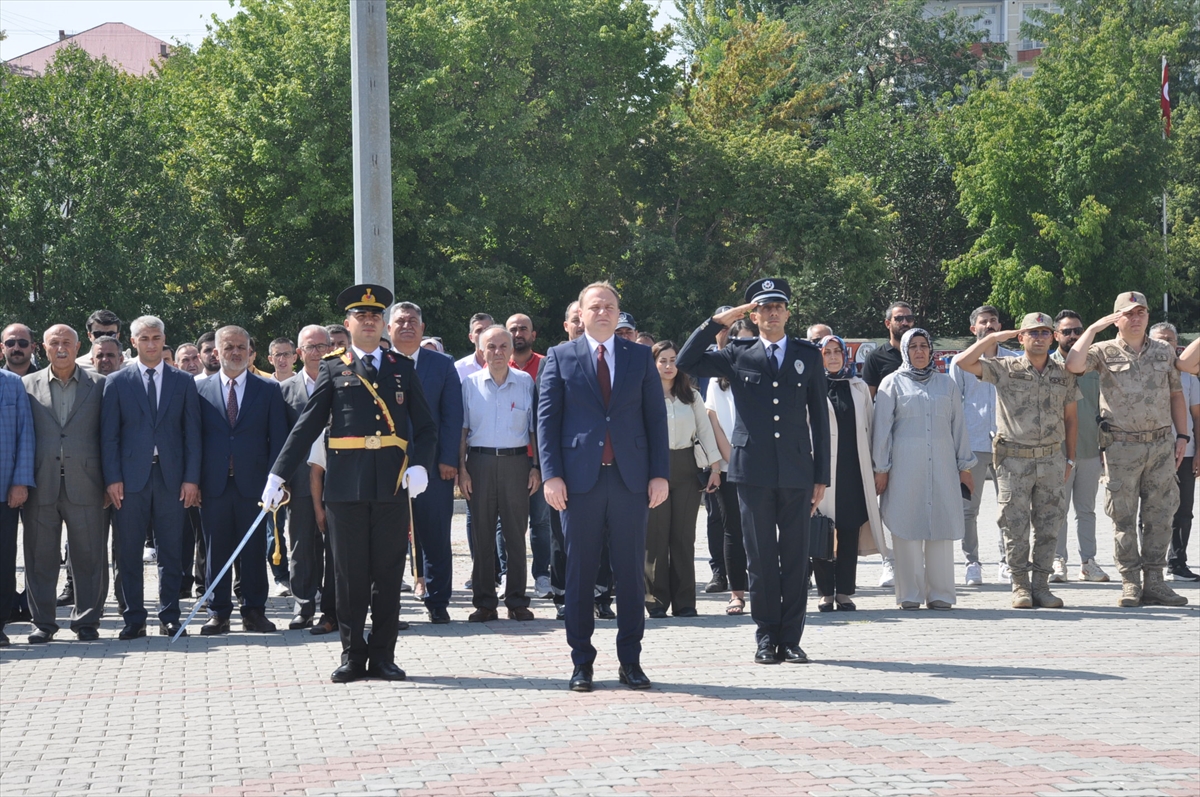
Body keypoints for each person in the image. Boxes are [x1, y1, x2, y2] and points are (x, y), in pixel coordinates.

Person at [264, 284, 437, 683]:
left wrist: (421, 465)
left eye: (376, 316)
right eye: (361, 316)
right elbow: (307, 426)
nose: (369, 321)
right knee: (348, 575)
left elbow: (426, 427)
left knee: (388, 573)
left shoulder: (401, 366)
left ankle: (383, 656)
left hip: (392, 485)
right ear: (348, 323)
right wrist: (278, 473)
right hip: (345, 487)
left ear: (383, 324)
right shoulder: (333, 367)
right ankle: (352, 655)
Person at [677, 278, 830, 665]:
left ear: (788, 313)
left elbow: (820, 419)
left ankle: (791, 639)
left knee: (795, 558)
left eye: (779, 306)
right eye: (764, 307)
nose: (773, 313)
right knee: (760, 558)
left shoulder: (807, 355)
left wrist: (821, 475)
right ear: (754, 314)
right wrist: (719, 321)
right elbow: (685, 362)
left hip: (797, 470)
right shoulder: (737, 353)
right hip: (752, 471)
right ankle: (766, 637)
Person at [538, 281, 669, 691]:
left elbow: (655, 419)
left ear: (618, 312)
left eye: (610, 306)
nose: (603, 312)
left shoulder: (639, 357)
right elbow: (546, 421)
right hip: (579, 483)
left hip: (630, 480)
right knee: (579, 573)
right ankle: (582, 663)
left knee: (630, 574)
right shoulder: (560, 357)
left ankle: (630, 660)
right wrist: (550, 475)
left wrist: (659, 473)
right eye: (595, 306)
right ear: (580, 314)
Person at [1064, 292, 1189, 608]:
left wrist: (1183, 436)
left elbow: (1176, 394)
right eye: (1128, 313)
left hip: (1161, 445)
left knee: (1160, 517)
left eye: (1141, 313)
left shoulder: (1163, 351)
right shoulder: (1103, 351)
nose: (1136, 319)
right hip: (1121, 447)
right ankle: (1131, 584)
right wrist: (1093, 328)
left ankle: (1156, 583)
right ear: (1116, 318)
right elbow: (1073, 364)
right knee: (1123, 519)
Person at [953, 314, 1078, 609]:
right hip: (1013, 462)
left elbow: (1071, 418)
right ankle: (1020, 585)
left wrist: (1070, 459)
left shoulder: (1063, 373)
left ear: (1052, 338)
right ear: (1020, 338)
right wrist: (994, 338)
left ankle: (1042, 586)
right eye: (1031, 332)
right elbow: (963, 363)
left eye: (1044, 332)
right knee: (1015, 525)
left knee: (1049, 525)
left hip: (1050, 460)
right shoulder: (1005, 368)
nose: (1039, 337)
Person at [100, 315, 202, 639]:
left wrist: (191, 479)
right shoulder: (117, 382)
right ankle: (134, 618)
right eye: (144, 338)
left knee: (171, 550)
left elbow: (193, 436)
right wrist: (112, 478)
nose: (151, 344)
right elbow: (109, 437)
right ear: (133, 342)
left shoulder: (182, 381)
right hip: (130, 480)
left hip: (172, 478)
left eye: (156, 338)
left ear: (163, 338)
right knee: (128, 551)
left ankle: (170, 615)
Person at [195, 326, 290, 634]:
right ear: (215, 352)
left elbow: (278, 439)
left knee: (252, 551)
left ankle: (253, 611)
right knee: (216, 549)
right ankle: (218, 612)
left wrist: (278, 480)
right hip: (213, 485)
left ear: (251, 353)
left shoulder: (268, 390)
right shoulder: (198, 390)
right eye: (228, 347)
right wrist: (193, 481)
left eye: (241, 347)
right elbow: (193, 440)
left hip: (255, 484)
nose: (235, 352)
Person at [872, 328, 975, 610]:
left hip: (942, 467)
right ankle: (910, 594)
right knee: (906, 527)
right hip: (904, 469)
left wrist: (965, 467)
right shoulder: (891, 383)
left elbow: (959, 427)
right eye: (913, 346)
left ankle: (941, 593)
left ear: (931, 350)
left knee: (940, 528)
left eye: (924, 346)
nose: (919, 351)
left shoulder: (947, 385)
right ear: (905, 351)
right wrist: (881, 468)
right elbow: (881, 430)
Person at [21, 325, 108, 643]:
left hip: (87, 483)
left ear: (77, 346)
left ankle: (86, 620)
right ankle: (42, 622)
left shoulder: (99, 385)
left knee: (88, 556)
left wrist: (110, 482)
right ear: (42, 348)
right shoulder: (26, 385)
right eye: (54, 343)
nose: (61, 348)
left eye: (66, 343)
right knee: (39, 556)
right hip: (40, 483)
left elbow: (108, 437)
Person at [459, 326, 540, 621]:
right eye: (491, 346)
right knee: (481, 535)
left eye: (503, 346)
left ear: (510, 350)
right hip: (479, 463)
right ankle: (484, 601)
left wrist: (535, 468)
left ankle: (517, 599)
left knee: (516, 535)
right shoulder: (469, 384)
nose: (497, 352)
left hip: (517, 464)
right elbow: (463, 429)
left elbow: (534, 429)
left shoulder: (525, 382)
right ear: (481, 350)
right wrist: (462, 470)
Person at [389, 301, 463, 623]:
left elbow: (452, 415)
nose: (407, 326)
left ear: (422, 327)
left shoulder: (442, 364)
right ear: (389, 328)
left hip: (433, 466)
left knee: (434, 535)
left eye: (413, 321)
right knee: (389, 538)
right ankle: (389, 604)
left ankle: (437, 602)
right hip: (387, 466)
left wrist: (448, 459)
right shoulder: (379, 363)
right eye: (400, 321)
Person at [644, 341, 720, 618]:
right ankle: (655, 601)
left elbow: (705, 430)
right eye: (662, 360)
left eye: (673, 360)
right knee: (656, 537)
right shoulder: (644, 395)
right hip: (654, 469)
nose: (668, 366)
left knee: (683, 537)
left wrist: (715, 467)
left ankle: (685, 602)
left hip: (687, 467)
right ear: (653, 364)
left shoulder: (692, 395)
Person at [813, 334, 888, 612]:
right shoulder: (812, 386)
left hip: (854, 470)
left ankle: (844, 591)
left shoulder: (857, 387)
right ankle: (825, 593)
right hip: (822, 471)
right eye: (826, 353)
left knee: (848, 530)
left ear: (845, 355)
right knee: (821, 529)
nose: (833, 357)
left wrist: (877, 468)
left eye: (837, 352)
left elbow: (871, 427)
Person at [949, 306, 1017, 585]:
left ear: (1000, 326)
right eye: (983, 322)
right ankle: (971, 562)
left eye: (993, 321)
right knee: (969, 509)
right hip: (973, 444)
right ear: (972, 329)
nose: (988, 326)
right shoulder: (960, 363)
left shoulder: (1015, 360)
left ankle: (1009, 562)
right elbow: (954, 407)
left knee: (1011, 508)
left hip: (1009, 443)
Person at [278, 325, 333, 629]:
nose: (317, 353)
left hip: (339, 478)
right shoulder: (284, 391)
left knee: (336, 545)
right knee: (301, 545)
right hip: (299, 480)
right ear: (298, 353)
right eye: (310, 348)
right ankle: (303, 604)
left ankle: (332, 605)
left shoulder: (344, 382)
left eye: (322, 346)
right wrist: (281, 479)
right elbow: (279, 440)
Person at [1050, 311, 1109, 583]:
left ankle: (1088, 562)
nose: (1073, 336)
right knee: (1057, 509)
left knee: (1086, 510)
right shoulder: (1046, 366)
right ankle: (1057, 561)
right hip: (1056, 452)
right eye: (1067, 331)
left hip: (1089, 449)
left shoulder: (1093, 365)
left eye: (1078, 330)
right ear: (1055, 335)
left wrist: (1103, 447)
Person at [704, 318, 755, 615]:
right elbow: (714, 422)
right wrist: (733, 461)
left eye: (750, 342)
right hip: (728, 465)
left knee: (760, 529)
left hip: (761, 463)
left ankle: (764, 588)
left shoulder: (764, 374)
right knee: (733, 530)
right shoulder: (716, 379)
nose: (743, 348)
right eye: (738, 342)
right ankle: (736, 593)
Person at [1148, 323, 1200, 583]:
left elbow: (1196, 415)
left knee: (1183, 510)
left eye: (1170, 339)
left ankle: (1177, 563)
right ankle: (1150, 565)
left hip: (1186, 451)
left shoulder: (1188, 374)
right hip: (1149, 451)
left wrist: (1199, 450)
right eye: (1160, 339)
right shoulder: (1142, 371)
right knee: (1150, 508)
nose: (1166, 343)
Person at [505, 313, 552, 599]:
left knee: (541, 521)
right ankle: (506, 575)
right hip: (509, 458)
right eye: (513, 329)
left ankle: (542, 575)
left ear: (533, 335)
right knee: (507, 522)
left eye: (524, 329)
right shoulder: (498, 364)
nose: (518, 333)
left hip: (540, 457)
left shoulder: (548, 363)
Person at [0, 366, 36, 647]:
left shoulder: (12, 384)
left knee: (3, 560)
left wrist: (20, 481)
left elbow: (26, 434)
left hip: (4, 489)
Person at [862, 302, 915, 398]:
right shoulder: (875, 357)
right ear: (887, 323)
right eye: (899, 319)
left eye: (909, 318)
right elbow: (867, 401)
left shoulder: (920, 354)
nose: (905, 323)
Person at [454, 313, 494, 381]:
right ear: (471, 337)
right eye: (479, 331)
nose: (483, 334)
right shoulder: (459, 368)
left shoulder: (506, 365)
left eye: (487, 330)